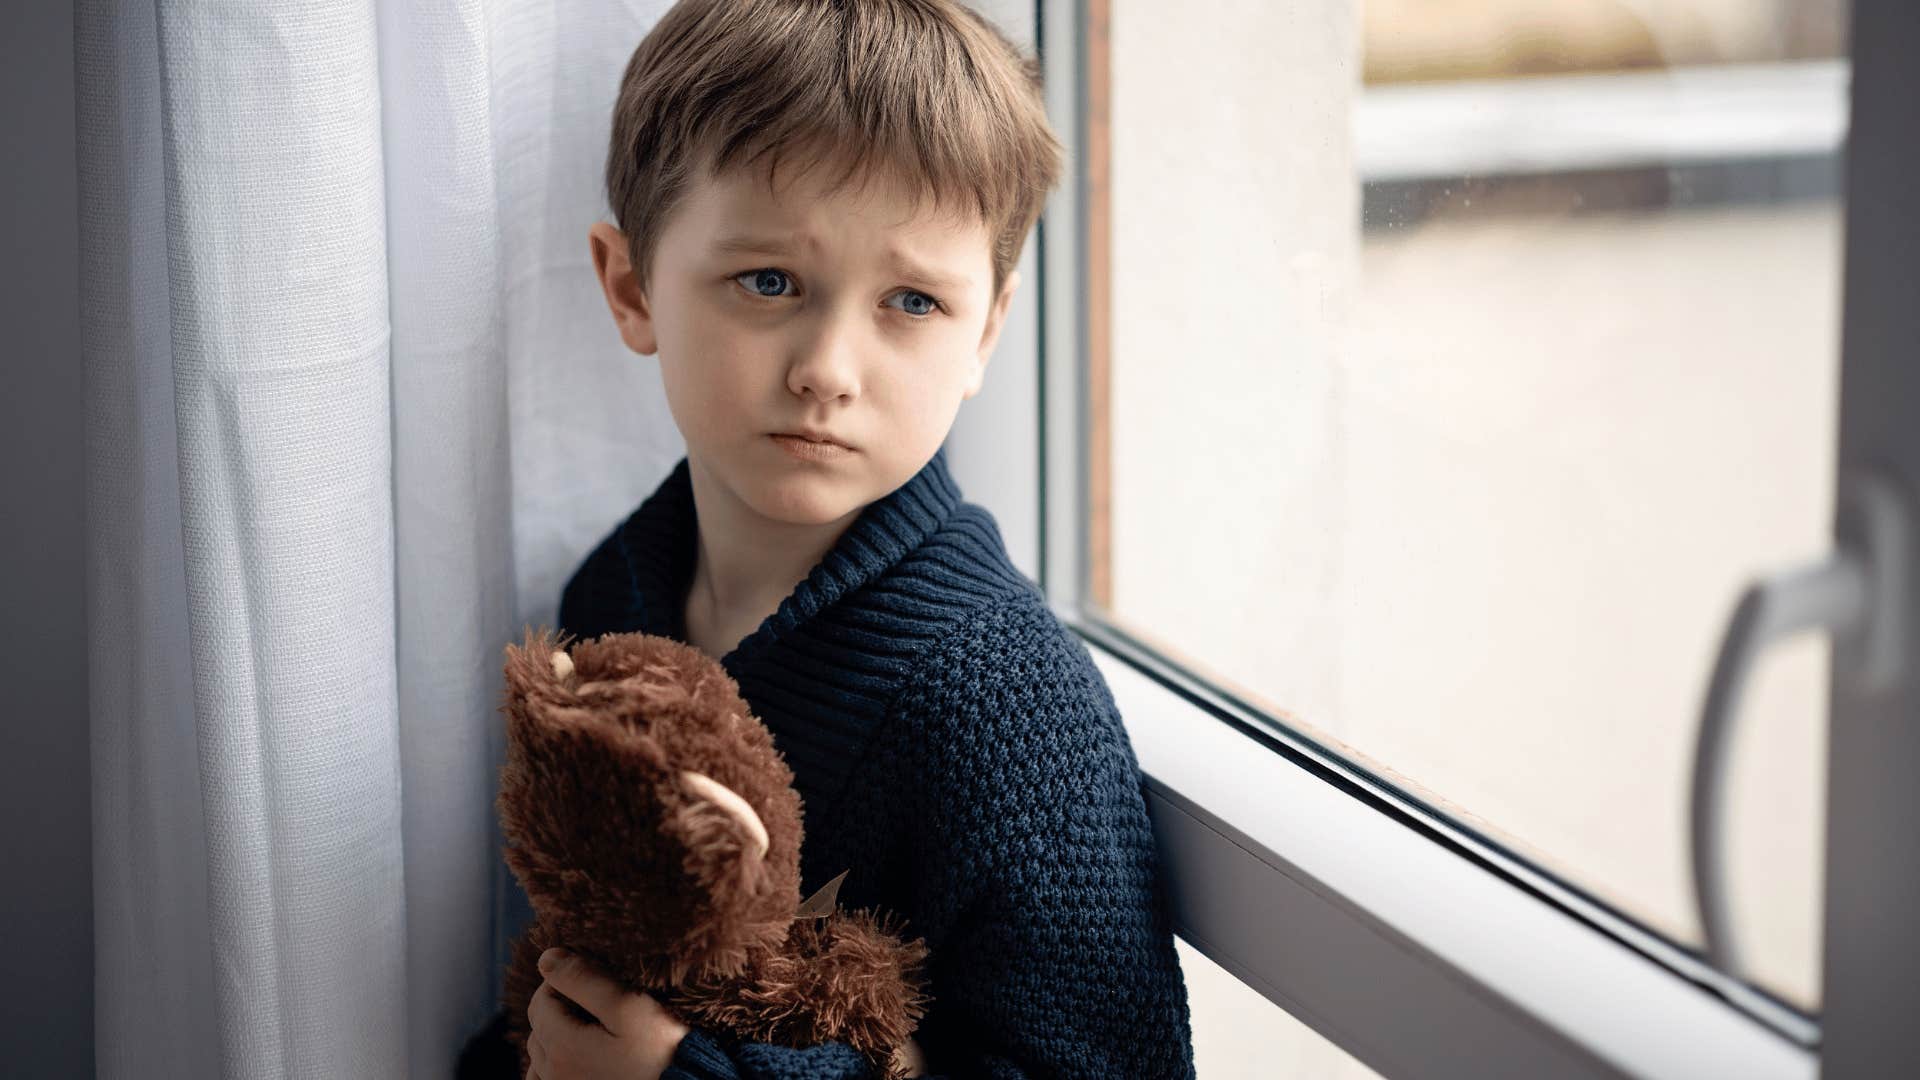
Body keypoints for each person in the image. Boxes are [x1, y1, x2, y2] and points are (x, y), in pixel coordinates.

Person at [463, 1, 1197, 1076]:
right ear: (631, 287)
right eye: (769, 282)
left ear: (986, 327)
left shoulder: (1005, 705)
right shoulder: (611, 596)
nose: (828, 369)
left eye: (910, 301)